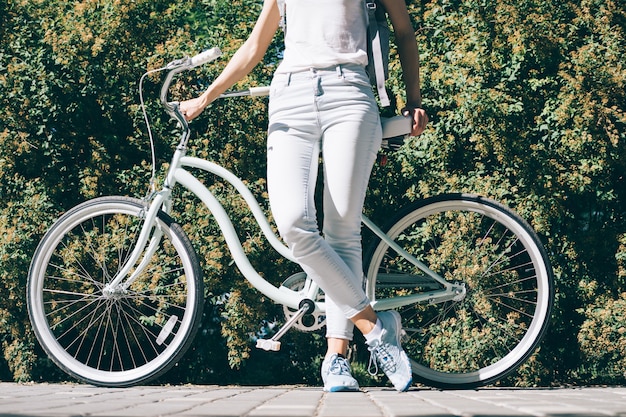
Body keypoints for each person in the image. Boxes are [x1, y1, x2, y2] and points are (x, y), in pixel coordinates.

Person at [180, 0, 428, 392]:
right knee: (295, 223)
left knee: (342, 229)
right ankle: (376, 330)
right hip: (290, 95)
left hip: (350, 93)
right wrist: (206, 96)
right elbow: (254, 46)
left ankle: (336, 359)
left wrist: (414, 100)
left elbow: (404, 31)